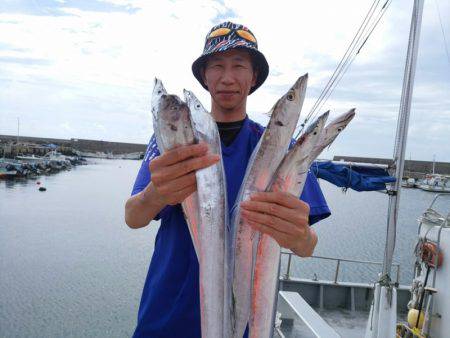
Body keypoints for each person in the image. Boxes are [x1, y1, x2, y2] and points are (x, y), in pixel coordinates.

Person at [125, 21, 331, 338]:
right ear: (204, 77)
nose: (227, 77)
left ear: (254, 77)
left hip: (246, 327)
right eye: (217, 66)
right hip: (165, 320)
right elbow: (133, 216)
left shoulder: (278, 148)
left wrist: (297, 233)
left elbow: (306, 246)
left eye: (238, 66)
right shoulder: (174, 139)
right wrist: (156, 194)